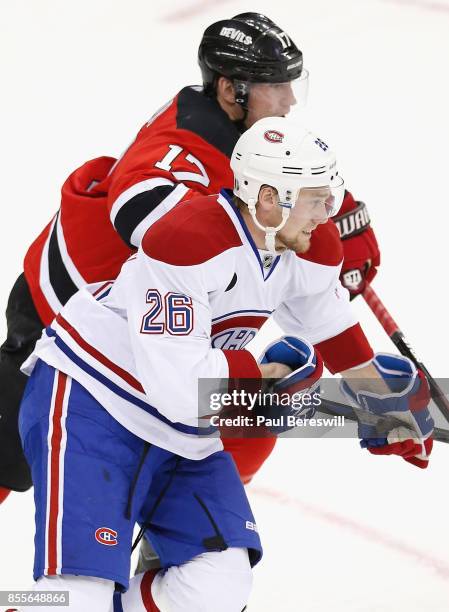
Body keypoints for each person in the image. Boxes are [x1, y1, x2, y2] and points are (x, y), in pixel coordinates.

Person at [18, 117, 433, 611]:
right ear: (267, 199)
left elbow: (328, 322)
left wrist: (384, 405)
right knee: (77, 596)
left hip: (181, 432)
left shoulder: (304, 243)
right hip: (95, 403)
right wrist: (267, 381)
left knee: (217, 585)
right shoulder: (187, 242)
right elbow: (180, 387)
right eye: (314, 197)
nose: (329, 211)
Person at [0, 12, 380, 504]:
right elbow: (140, 213)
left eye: (293, 84)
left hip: (155, 325)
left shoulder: (247, 137)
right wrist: (304, 233)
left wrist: (327, 212)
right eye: (275, 85)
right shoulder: (179, 146)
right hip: (69, 311)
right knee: (13, 452)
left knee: (233, 429)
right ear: (230, 90)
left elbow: (272, 187)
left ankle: (179, 555)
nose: (289, 100)